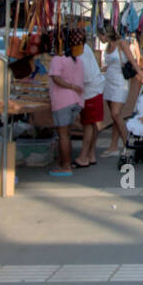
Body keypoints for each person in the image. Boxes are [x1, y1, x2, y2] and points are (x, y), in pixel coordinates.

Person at [101, 26, 143, 157]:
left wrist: (141, 75)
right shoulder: (108, 47)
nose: (100, 39)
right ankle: (113, 146)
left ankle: (128, 143)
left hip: (120, 81)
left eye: (101, 36)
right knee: (115, 115)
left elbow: (132, 60)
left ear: (106, 34)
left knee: (116, 114)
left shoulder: (122, 43)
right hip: (109, 80)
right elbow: (109, 64)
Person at [48, 48, 85, 176]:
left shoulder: (57, 59)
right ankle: (62, 162)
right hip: (77, 100)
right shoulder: (77, 60)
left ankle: (66, 166)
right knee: (66, 134)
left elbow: (55, 78)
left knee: (63, 135)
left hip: (63, 101)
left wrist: (70, 86)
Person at [74, 30, 106, 167]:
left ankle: (83, 157)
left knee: (88, 124)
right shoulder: (85, 48)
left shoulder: (80, 53)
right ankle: (90, 154)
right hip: (95, 89)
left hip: (90, 91)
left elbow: (85, 77)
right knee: (92, 124)